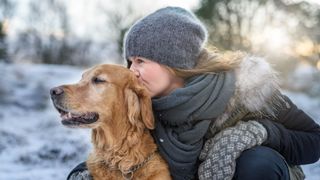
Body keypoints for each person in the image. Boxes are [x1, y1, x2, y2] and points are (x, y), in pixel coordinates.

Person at [68, 7, 320, 180]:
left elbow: (314, 140)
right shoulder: (143, 104)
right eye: (130, 61)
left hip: (265, 172)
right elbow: (121, 155)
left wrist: (258, 132)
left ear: (172, 61)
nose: (132, 71)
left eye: (141, 61)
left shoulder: (245, 89)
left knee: (256, 162)